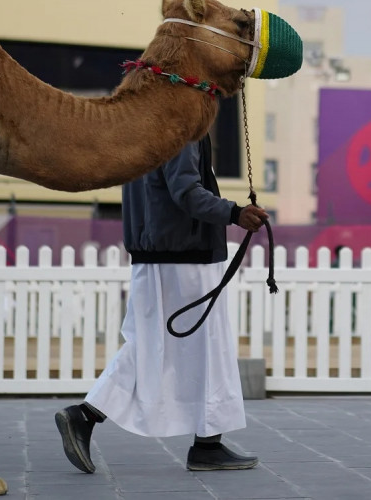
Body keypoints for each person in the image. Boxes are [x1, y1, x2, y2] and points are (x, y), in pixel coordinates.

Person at [55, 135, 268, 473]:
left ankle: (87, 416)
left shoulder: (145, 122)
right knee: (208, 347)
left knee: (150, 344)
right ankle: (205, 446)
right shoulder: (181, 127)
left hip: (155, 252)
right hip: (185, 257)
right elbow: (186, 192)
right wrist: (235, 213)